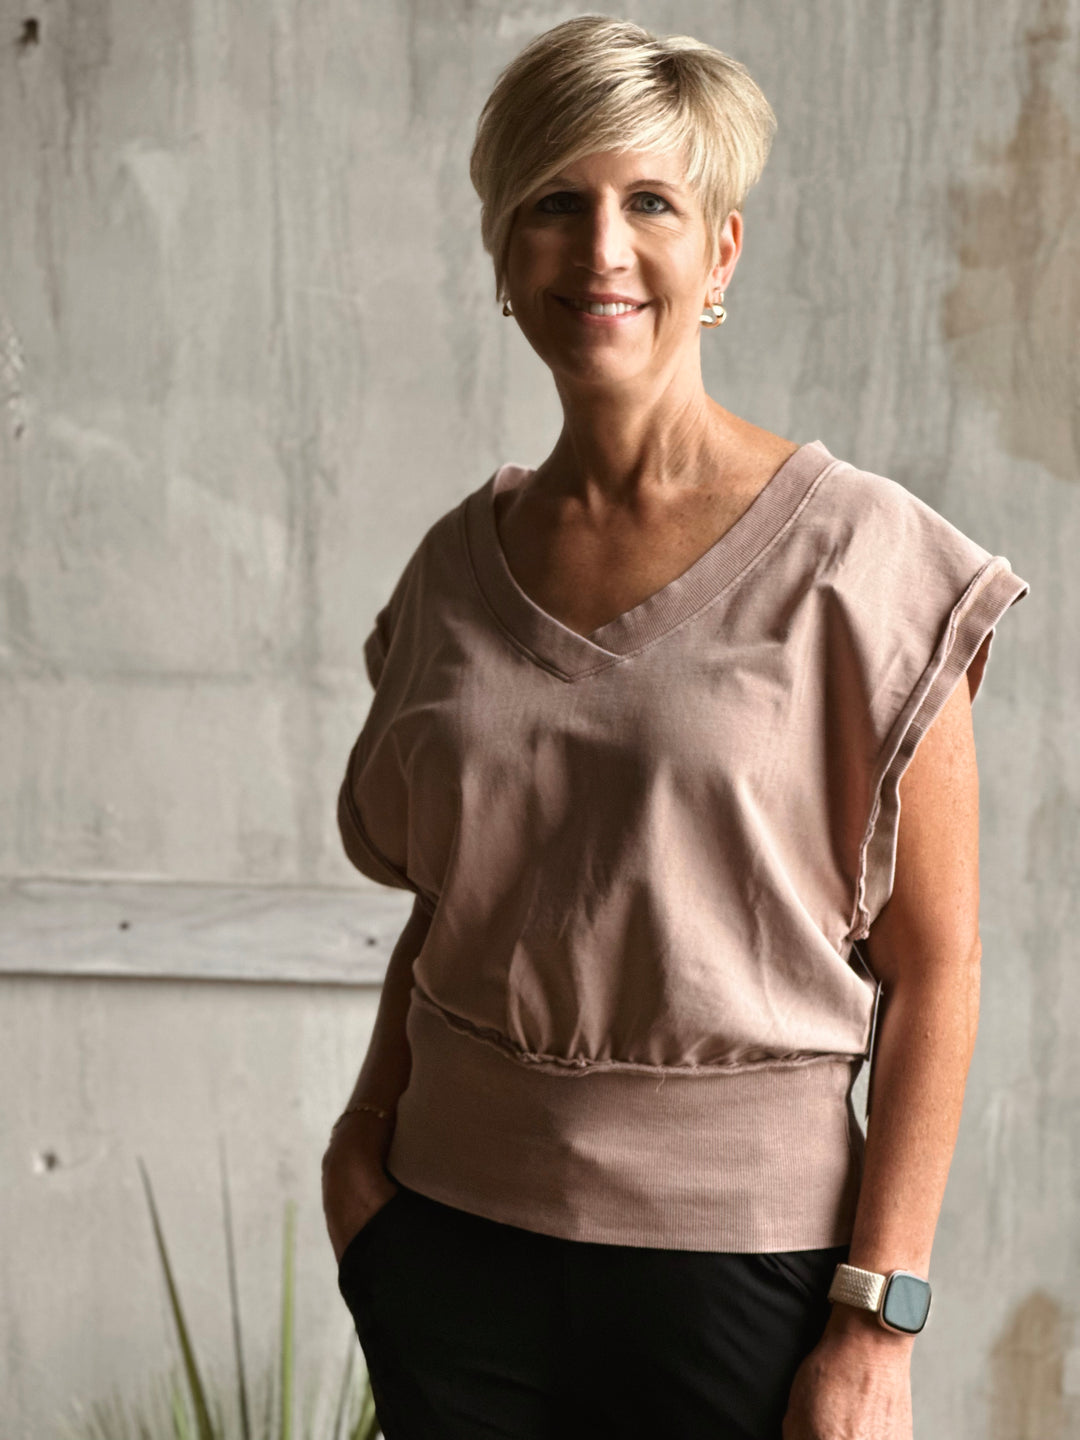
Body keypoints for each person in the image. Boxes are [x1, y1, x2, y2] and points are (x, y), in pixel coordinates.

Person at [321, 15, 1030, 1440]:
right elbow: (453, 902)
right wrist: (359, 1158)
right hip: (447, 1252)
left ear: (720, 256)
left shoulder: (866, 564)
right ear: (503, 253)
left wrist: (877, 1323)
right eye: (554, 202)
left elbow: (939, 971)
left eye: (650, 201)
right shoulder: (452, 570)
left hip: (742, 1281)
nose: (601, 248)